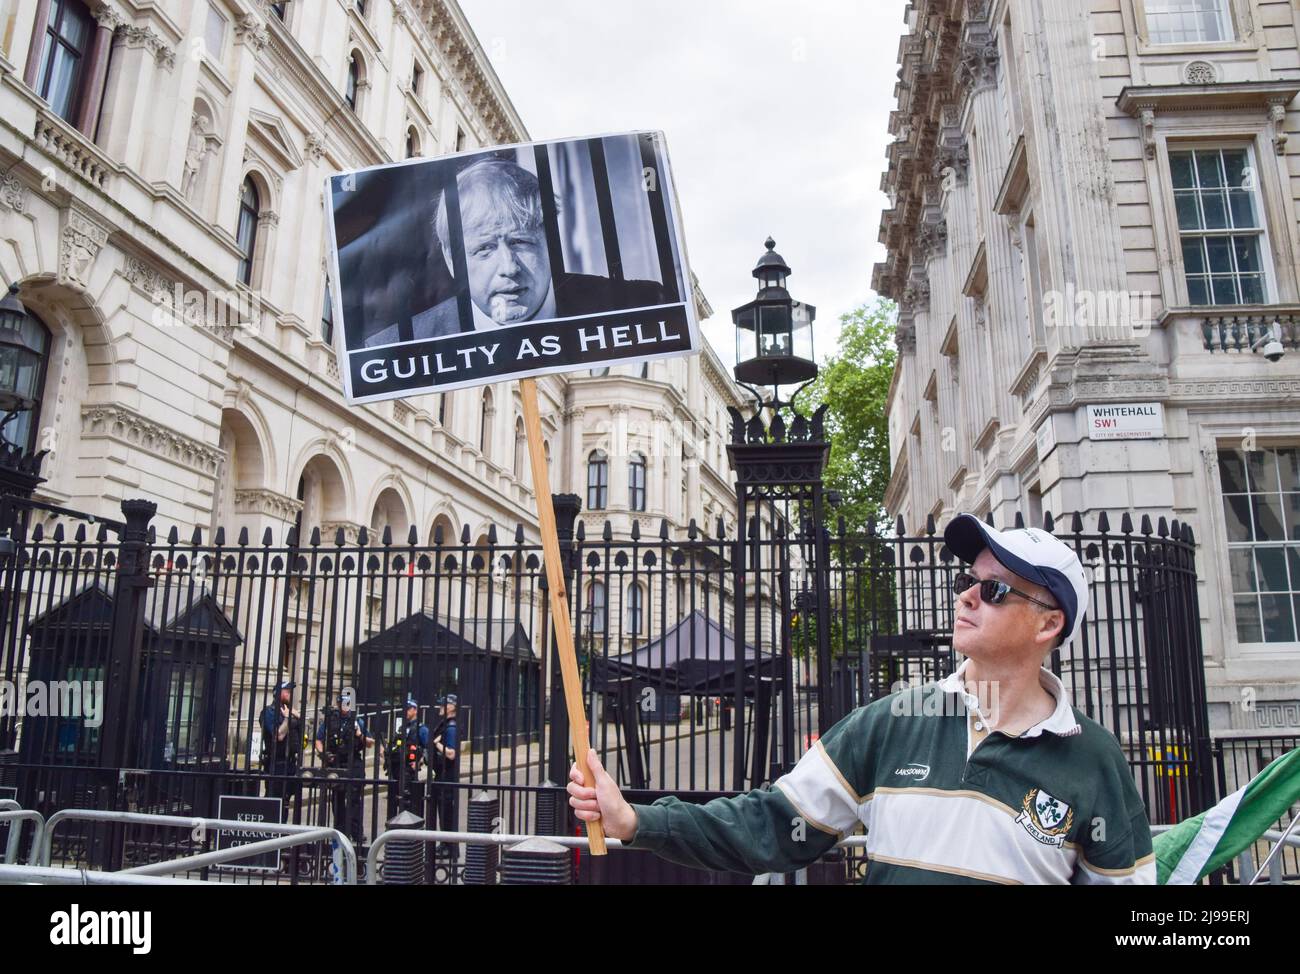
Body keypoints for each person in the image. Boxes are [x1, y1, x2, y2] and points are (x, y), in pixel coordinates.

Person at [568, 513, 1156, 884]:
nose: (969, 597)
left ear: (1048, 625)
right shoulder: (891, 722)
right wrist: (635, 820)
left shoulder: (1094, 760)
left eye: (995, 588)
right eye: (966, 582)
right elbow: (772, 825)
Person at [362, 157, 667, 346]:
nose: (509, 266)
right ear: (452, 261)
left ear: (550, 241)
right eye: (484, 249)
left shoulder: (643, 305)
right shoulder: (399, 344)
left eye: (521, 241)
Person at [314, 690, 374, 847]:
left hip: (353, 762)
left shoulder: (357, 721)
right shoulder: (330, 720)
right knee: (337, 799)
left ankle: (356, 832)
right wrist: (323, 754)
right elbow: (318, 739)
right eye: (343, 703)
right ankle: (340, 832)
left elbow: (370, 742)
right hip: (336, 762)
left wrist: (359, 734)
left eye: (348, 704)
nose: (345, 707)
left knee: (354, 799)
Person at [385, 696, 429, 822]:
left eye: (408, 709)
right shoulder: (402, 728)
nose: (406, 711)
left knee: (407, 800)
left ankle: (408, 828)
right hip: (395, 769)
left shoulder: (422, 729)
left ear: (415, 710)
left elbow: (428, 748)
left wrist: (419, 761)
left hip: (408, 770)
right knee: (394, 800)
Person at [260, 680, 302, 810]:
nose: (289, 692)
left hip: (290, 763)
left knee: (285, 802)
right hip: (276, 764)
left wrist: (298, 717)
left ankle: (283, 829)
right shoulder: (269, 712)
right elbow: (279, 735)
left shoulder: (289, 711)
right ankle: (271, 829)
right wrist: (288, 718)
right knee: (274, 802)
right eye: (286, 690)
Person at [428, 694, 461, 858]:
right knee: (443, 811)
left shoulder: (451, 728)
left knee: (447, 812)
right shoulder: (445, 725)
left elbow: (452, 754)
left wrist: (437, 744)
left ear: (452, 707)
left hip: (447, 776)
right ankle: (445, 844)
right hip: (441, 775)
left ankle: (449, 847)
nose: (440, 706)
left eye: (444, 704)